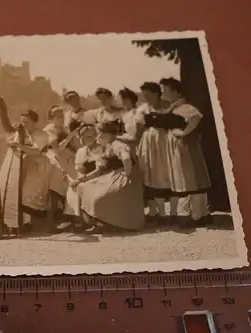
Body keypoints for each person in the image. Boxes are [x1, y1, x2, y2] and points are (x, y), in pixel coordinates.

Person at [0, 93, 52, 232]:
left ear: (35, 122)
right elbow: (9, 140)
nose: (24, 125)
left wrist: (19, 145)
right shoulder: (23, 132)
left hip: (38, 166)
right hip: (25, 164)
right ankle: (16, 222)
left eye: (27, 122)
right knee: (14, 187)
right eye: (22, 122)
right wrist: (13, 140)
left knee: (24, 191)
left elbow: (36, 151)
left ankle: (26, 223)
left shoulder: (42, 134)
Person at [71, 121, 145, 232]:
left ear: (108, 134)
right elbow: (99, 169)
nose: (98, 136)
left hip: (124, 179)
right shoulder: (109, 146)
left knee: (99, 197)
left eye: (100, 133)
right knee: (84, 187)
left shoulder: (117, 144)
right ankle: (93, 221)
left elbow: (126, 158)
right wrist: (81, 179)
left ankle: (104, 223)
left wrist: (127, 174)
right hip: (114, 176)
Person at [160, 77, 211, 228]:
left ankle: (197, 216)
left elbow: (196, 117)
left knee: (193, 179)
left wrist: (184, 133)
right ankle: (202, 214)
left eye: (165, 91)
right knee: (194, 179)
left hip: (186, 147)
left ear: (175, 91)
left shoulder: (184, 106)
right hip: (182, 148)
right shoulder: (175, 108)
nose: (163, 95)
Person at [136, 82, 172, 224]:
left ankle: (167, 212)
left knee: (163, 174)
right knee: (148, 174)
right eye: (144, 96)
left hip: (165, 142)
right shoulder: (143, 109)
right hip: (149, 143)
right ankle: (153, 211)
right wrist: (137, 146)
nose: (146, 98)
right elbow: (139, 129)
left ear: (157, 93)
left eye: (149, 95)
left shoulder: (169, 106)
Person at [63, 124, 104, 231]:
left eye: (91, 136)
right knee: (72, 187)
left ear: (96, 136)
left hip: (101, 177)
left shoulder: (100, 149)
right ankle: (77, 218)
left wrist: (80, 180)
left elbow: (99, 170)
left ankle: (85, 220)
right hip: (85, 177)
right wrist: (76, 179)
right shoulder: (81, 151)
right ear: (81, 138)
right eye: (85, 137)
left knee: (80, 185)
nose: (88, 139)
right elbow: (79, 169)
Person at [44, 105, 81, 222]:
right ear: (51, 117)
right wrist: (71, 135)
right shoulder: (48, 130)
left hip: (68, 156)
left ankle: (72, 213)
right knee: (59, 175)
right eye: (57, 115)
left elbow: (73, 146)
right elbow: (57, 149)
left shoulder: (65, 128)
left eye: (61, 115)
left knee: (77, 174)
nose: (60, 117)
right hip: (54, 156)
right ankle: (55, 214)